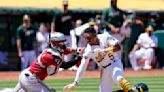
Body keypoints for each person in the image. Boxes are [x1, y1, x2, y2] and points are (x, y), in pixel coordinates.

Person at [63, 27, 143, 92]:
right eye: (86, 38)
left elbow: (118, 47)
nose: (87, 40)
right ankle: (134, 90)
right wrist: (75, 82)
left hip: (115, 63)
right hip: (104, 69)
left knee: (118, 78)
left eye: (89, 38)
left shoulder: (105, 37)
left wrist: (105, 50)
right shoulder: (88, 50)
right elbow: (82, 66)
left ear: (95, 35)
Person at [13, 32, 82, 92]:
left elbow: (67, 50)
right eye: (61, 42)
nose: (63, 44)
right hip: (31, 80)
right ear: (55, 43)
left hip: (27, 76)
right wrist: (79, 57)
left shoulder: (51, 50)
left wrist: (78, 50)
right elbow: (66, 65)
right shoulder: (51, 56)